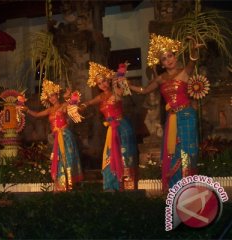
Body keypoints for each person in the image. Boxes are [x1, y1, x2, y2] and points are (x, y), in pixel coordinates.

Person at [128, 34, 202, 191]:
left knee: (187, 150)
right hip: (172, 118)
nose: (168, 60)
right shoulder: (161, 79)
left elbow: (193, 62)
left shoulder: (184, 72)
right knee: (172, 151)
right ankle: (175, 188)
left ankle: (189, 187)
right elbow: (144, 90)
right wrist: (128, 84)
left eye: (170, 56)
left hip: (187, 116)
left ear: (175, 56)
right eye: (164, 58)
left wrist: (194, 50)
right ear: (161, 63)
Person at [80, 62, 138, 191]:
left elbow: (125, 91)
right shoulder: (101, 96)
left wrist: (121, 77)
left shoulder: (117, 90)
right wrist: (77, 105)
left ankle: (127, 186)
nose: (103, 85)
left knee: (125, 154)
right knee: (109, 156)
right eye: (99, 83)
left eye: (104, 81)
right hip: (111, 129)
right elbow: (87, 103)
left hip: (122, 127)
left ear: (109, 79)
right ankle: (112, 185)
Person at [24, 79, 84, 191]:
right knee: (58, 159)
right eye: (49, 97)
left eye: (53, 95)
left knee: (68, 158)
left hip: (65, 135)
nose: (52, 98)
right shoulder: (49, 110)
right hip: (56, 137)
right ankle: (61, 184)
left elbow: (73, 105)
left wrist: (68, 97)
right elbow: (36, 115)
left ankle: (70, 183)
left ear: (57, 95)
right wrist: (26, 110)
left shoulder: (64, 105)